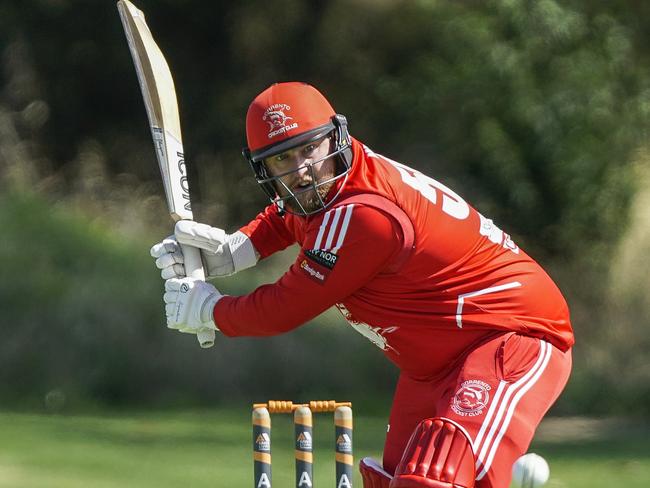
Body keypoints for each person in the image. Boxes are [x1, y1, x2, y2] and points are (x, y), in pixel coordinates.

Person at [151, 82, 574, 488]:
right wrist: (236, 250)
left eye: (308, 149)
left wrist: (211, 311)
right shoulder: (335, 184)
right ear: (264, 168)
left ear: (335, 138)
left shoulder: (366, 215)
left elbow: (287, 305)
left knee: (432, 478)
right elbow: (291, 217)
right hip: (435, 364)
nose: (300, 171)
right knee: (393, 480)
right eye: (282, 160)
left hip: (509, 341)